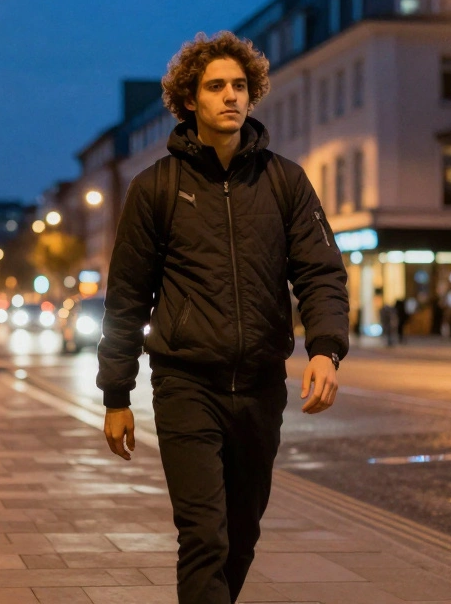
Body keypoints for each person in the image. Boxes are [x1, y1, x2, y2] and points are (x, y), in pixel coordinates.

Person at [98, 31, 350, 604]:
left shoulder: (285, 180)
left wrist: (325, 349)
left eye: (240, 86)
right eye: (216, 87)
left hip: (261, 386)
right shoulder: (155, 187)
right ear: (190, 99)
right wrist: (117, 395)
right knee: (204, 538)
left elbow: (320, 272)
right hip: (187, 384)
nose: (231, 97)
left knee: (240, 538)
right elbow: (127, 299)